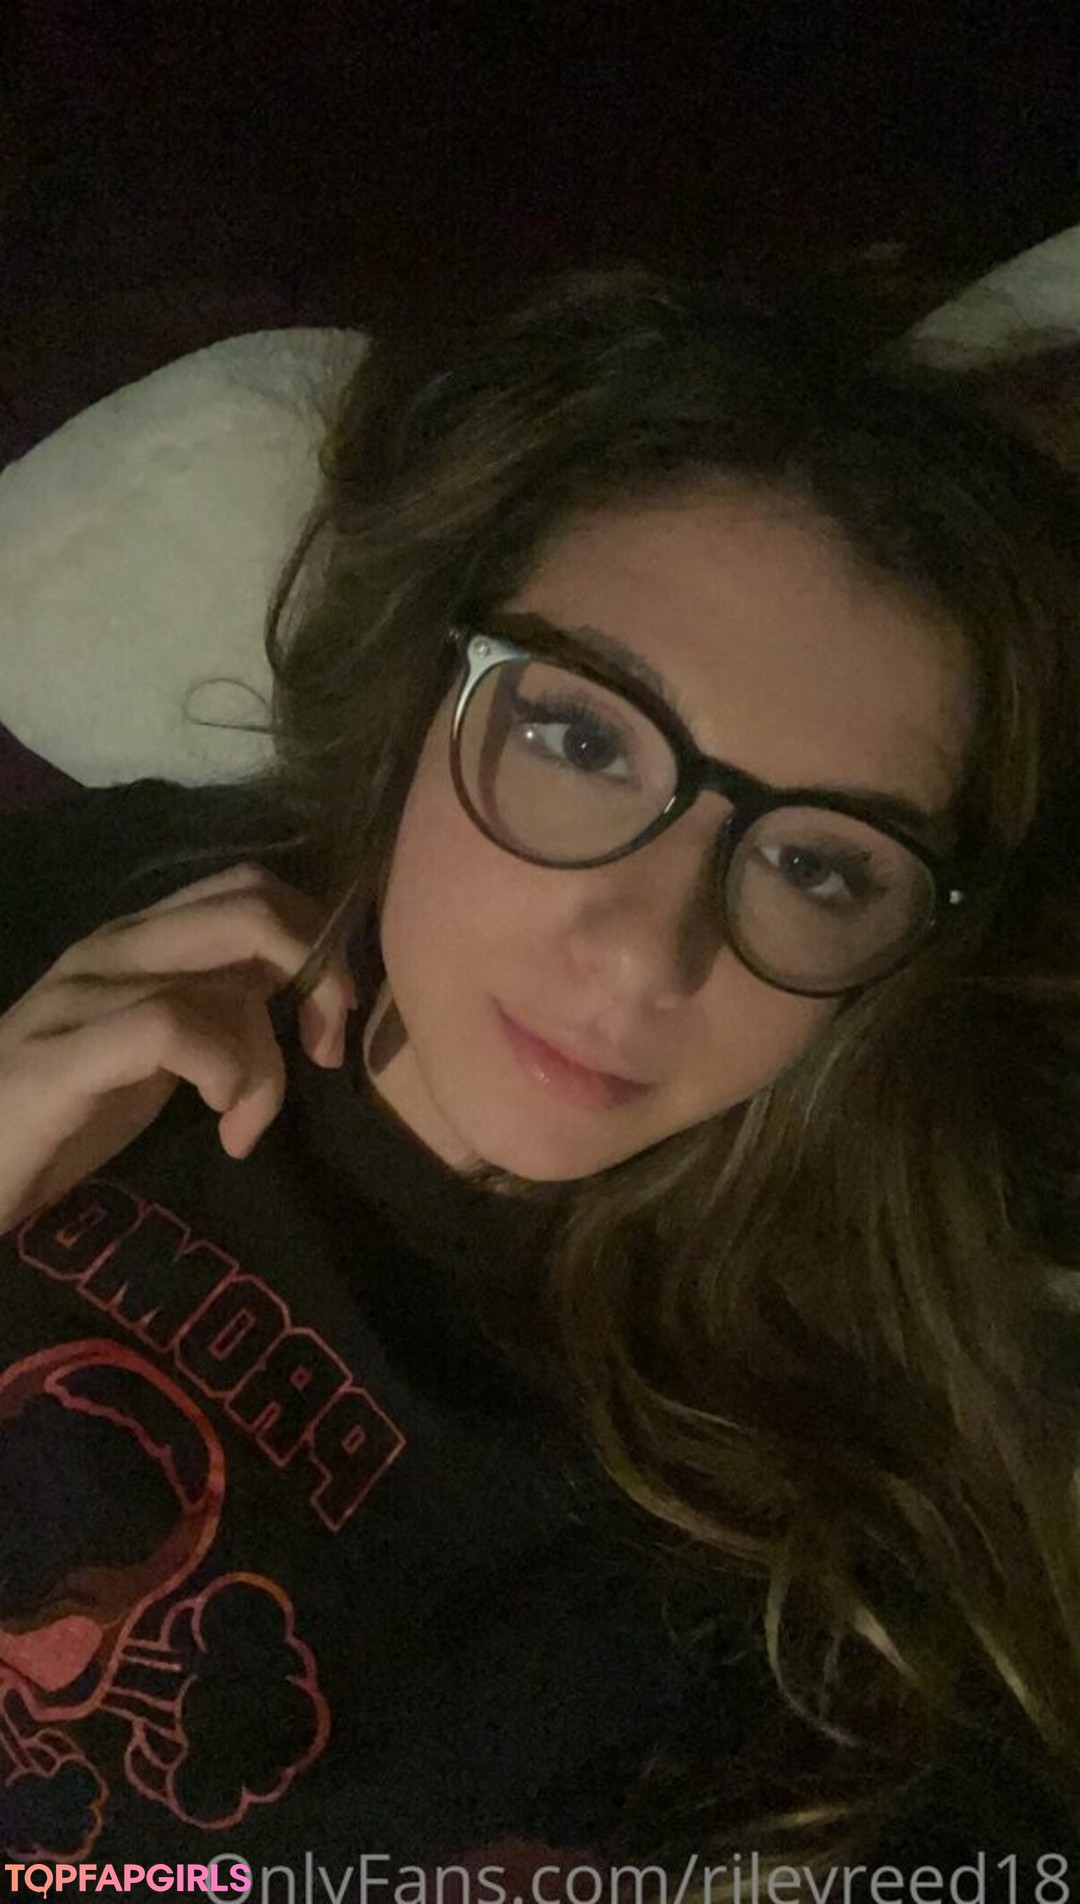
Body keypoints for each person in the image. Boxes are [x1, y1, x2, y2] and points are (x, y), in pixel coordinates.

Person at [1, 265, 1079, 1899]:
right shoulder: (109, 911)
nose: (645, 954)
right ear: (427, 679)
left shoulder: (802, 1565)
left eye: (821, 866)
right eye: (584, 742)